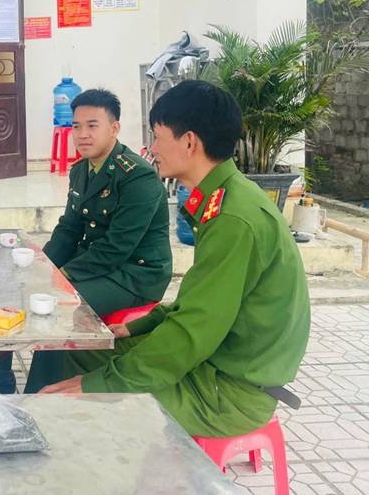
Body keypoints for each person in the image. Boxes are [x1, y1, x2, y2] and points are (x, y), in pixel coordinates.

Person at [27, 80, 311, 439]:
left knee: (93, 393)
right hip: (213, 360)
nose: (152, 148)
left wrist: (101, 384)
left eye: (158, 137)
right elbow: (200, 301)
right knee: (70, 351)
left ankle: (49, 437)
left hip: (227, 391)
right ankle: (30, 422)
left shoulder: (233, 219)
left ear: (189, 142)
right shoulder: (224, 199)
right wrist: (141, 326)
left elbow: (191, 332)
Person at [23, 88, 172, 392]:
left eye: (92, 125)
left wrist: (63, 275)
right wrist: (42, 266)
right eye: (76, 126)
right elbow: (69, 229)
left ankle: (40, 396)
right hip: (98, 264)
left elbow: (117, 248)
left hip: (135, 274)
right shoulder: (81, 170)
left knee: (57, 309)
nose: (82, 134)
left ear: (114, 128)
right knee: (21, 290)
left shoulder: (137, 176)